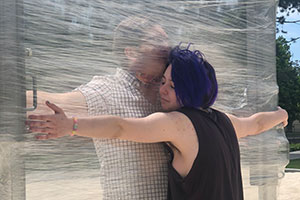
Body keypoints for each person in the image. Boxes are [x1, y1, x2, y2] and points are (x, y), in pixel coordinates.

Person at [28, 45, 288, 200]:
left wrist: (71, 125)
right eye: (163, 81)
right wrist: (281, 115)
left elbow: (120, 127)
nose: (162, 90)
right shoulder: (223, 120)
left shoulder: (178, 123)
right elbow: (255, 123)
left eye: (173, 86)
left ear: (191, 89)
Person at [27, 16, 171, 199]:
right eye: (157, 41)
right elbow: (51, 101)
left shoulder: (169, 93)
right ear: (131, 53)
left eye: (166, 39)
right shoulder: (106, 91)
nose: (167, 47)